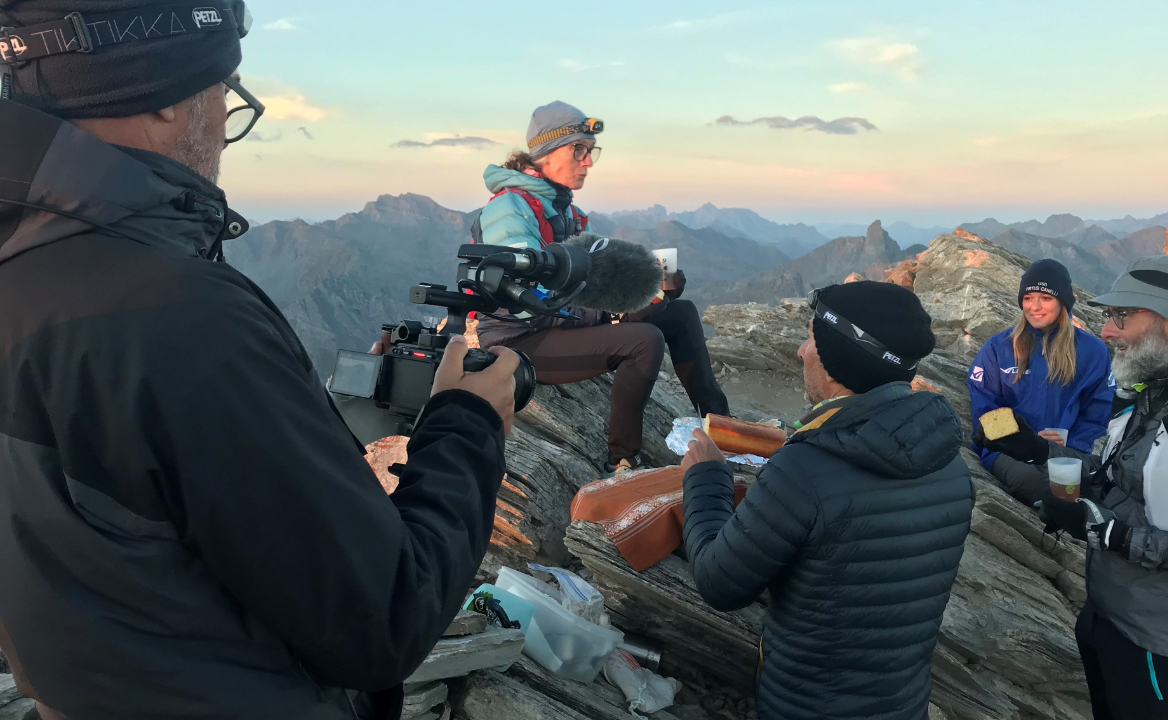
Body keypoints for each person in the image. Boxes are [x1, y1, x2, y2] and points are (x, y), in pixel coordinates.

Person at [0, 3, 517, 719]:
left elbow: (115, 516)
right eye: (220, 91)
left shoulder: (26, 275)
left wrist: (309, 432)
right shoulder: (180, 317)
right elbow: (384, 618)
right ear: (162, 101)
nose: (223, 124)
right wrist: (466, 422)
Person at [976, 255, 1168, 720]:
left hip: (1165, 646)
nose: (1107, 331)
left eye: (1122, 316)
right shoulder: (1159, 387)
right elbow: (1118, 479)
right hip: (1109, 619)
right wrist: (1040, 453)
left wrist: (1119, 538)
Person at [680, 281, 974, 720]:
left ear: (839, 362)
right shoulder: (951, 464)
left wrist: (705, 476)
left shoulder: (803, 470)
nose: (801, 351)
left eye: (813, 339)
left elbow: (718, 582)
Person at [473, 100, 729, 474]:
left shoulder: (563, 211)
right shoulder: (510, 209)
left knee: (681, 314)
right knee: (644, 340)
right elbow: (524, 298)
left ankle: (721, 425)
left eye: (590, 151)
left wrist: (648, 287)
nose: (588, 161)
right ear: (546, 151)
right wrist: (611, 311)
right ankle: (621, 462)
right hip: (518, 341)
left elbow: (592, 278)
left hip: (558, 326)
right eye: (578, 150)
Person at [967, 259, 1115, 506]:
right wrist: (1022, 440)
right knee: (1049, 493)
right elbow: (984, 405)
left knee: (1095, 493)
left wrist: (1069, 441)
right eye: (1028, 298)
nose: (1034, 306)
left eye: (1045, 298)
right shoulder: (998, 347)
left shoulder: (1092, 351)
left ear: (1063, 303)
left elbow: (1100, 409)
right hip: (1006, 451)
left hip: (1065, 451)